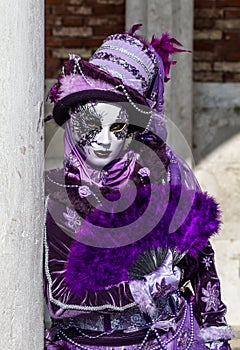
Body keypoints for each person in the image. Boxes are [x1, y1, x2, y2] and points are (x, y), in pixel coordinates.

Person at [44, 25, 233, 349]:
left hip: (171, 338)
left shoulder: (163, 181)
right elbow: (60, 296)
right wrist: (135, 291)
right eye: (92, 125)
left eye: (117, 127)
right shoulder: (63, 196)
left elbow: (199, 265)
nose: (104, 141)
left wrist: (215, 335)